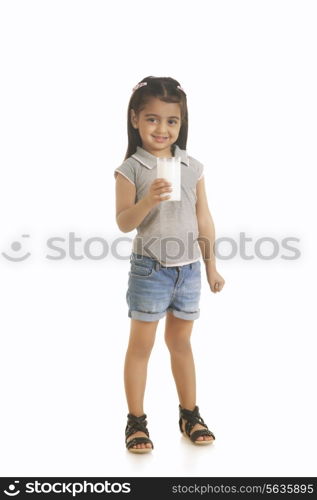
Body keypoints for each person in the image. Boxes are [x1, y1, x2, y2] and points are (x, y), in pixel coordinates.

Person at [114, 76, 225, 454]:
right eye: (152, 119)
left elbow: (204, 219)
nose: (162, 129)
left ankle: (189, 414)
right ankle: (136, 421)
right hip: (151, 268)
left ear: (182, 123)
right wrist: (148, 202)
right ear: (135, 120)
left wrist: (211, 267)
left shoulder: (192, 166)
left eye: (171, 121)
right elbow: (124, 222)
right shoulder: (132, 168)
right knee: (141, 347)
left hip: (189, 269)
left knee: (180, 343)